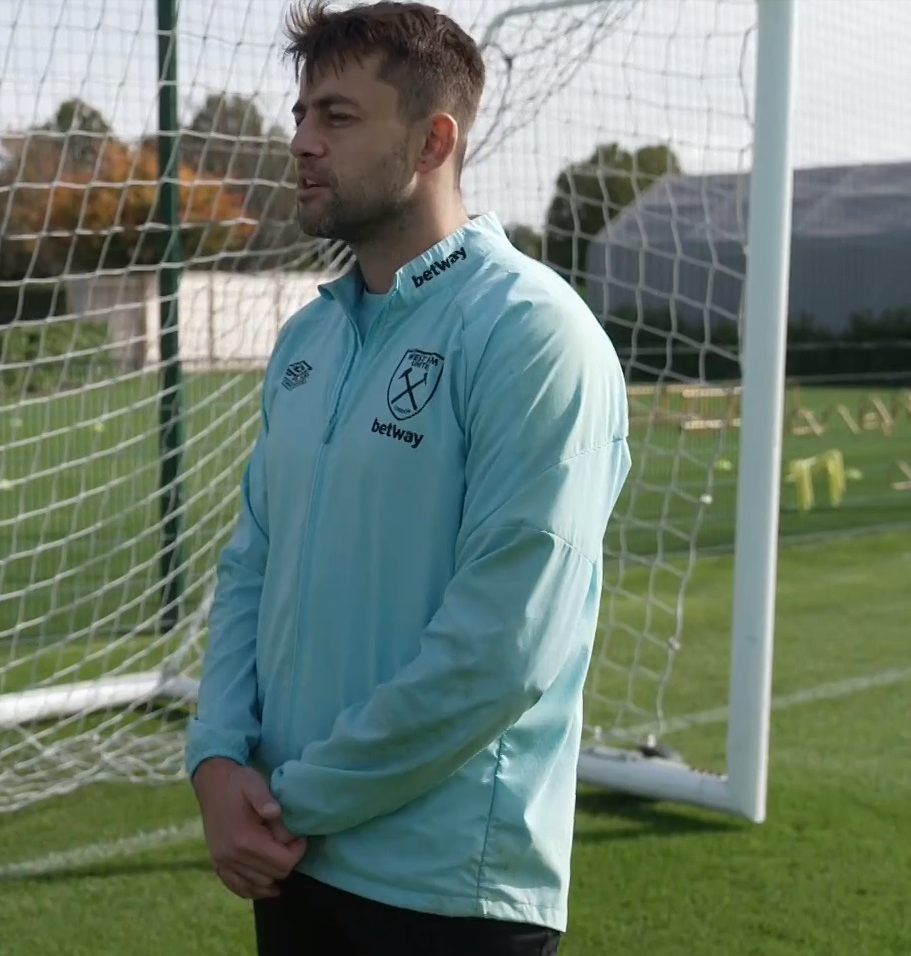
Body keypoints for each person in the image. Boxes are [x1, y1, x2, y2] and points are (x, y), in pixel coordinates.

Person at [184, 1, 632, 954]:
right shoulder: (309, 338)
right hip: (294, 866)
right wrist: (218, 759)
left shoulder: (531, 334)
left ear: (434, 140)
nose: (301, 142)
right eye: (300, 113)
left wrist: (291, 799)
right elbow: (249, 568)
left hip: (447, 894)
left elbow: (502, 649)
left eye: (337, 117)